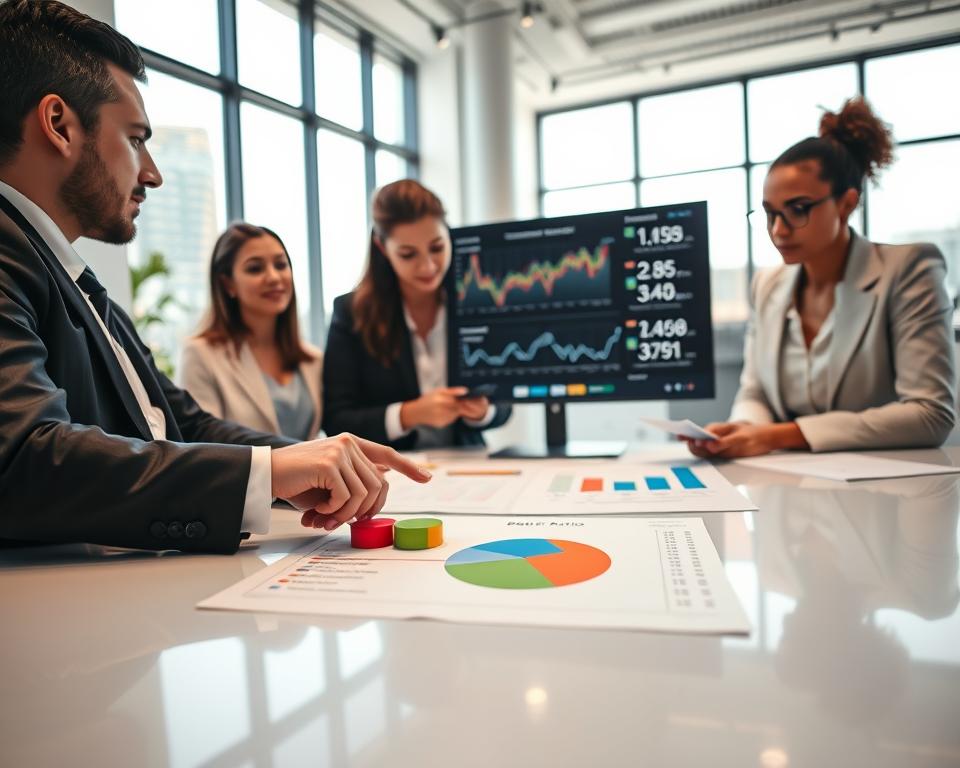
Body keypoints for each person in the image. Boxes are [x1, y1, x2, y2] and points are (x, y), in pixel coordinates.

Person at [0, 0, 429, 554]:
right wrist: (266, 475)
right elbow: (23, 458)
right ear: (59, 125)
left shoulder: (71, 279)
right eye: (135, 139)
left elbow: (184, 423)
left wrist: (298, 460)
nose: (152, 173)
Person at [686, 96, 956, 460]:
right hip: (789, 483)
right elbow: (755, 393)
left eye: (798, 209)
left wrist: (777, 436)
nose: (778, 230)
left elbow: (930, 414)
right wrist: (744, 428)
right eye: (770, 214)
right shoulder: (767, 285)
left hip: (886, 483)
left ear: (846, 203)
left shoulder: (908, 269)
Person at [323, 179, 511, 450]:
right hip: (390, 466)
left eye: (437, 248)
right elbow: (336, 420)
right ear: (382, 248)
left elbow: (505, 399)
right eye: (408, 254)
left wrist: (484, 411)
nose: (428, 266)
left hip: (468, 461)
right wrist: (408, 414)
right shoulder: (351, 313)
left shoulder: (477, 302)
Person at [180, 222, 323, 441]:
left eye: (281, 265)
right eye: (255, 268)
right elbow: (203, 445)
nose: (274, 277)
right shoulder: (200, 354)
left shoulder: (312, 359)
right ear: (228, 284)